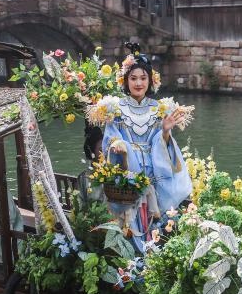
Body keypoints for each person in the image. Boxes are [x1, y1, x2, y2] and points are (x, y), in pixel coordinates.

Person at [102, 43, 192, 252]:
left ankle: (153, 254)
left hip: (153, 168)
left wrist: (165, 131)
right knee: (130, 217)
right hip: (128, 168)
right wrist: (119, 146)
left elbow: (161, 142)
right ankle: (132, 257)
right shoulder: (116, 108)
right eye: (133, 78)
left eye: (143, 78)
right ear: (125, 81)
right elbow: (110, 139)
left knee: (154, 218)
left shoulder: (158, 108)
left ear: (150, 81)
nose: (138, 83)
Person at [77, 125, 105, 211]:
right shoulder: (83, 177)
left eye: (106, 148)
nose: (104, 153)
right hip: (92, 218)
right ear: (91, 151)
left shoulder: (114, 173)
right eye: (101, 150)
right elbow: (80, 205)